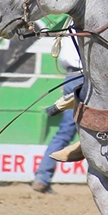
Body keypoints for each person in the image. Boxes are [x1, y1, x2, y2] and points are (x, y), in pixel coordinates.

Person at [32, 39, 83, 194]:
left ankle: (42, 177)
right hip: (85, 77)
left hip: (71, 77)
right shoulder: (87, 20)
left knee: (65, 132)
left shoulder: (70, 22)